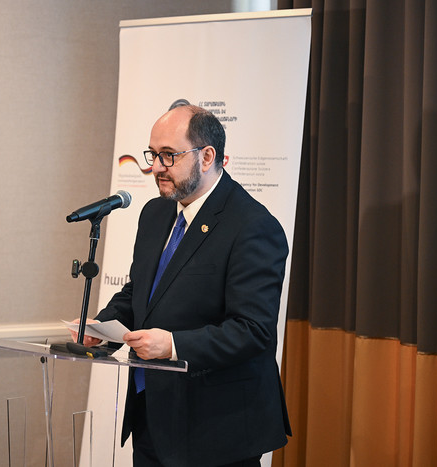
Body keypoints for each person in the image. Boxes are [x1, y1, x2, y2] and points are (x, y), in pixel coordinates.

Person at [73, 104, 291, 466]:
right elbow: (141, 292)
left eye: (168, 155)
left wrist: (173, 344)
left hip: (217, 429)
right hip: (152, 415)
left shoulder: (252, 226)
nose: (156, 167)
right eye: (153, 154)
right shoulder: (156, 212)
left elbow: (253, 331)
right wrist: (101, 326)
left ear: (207, 157)